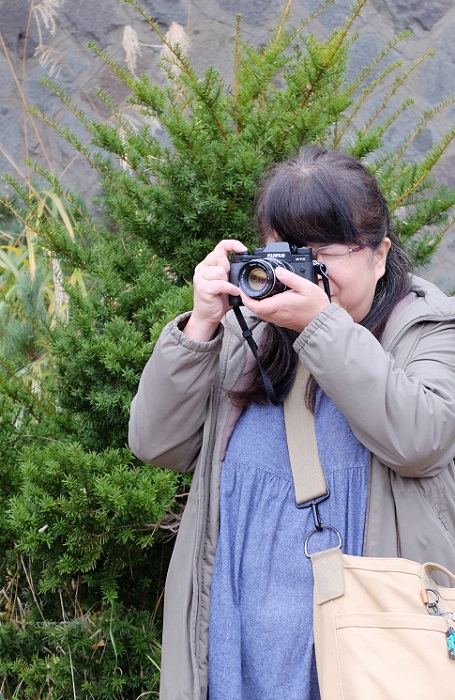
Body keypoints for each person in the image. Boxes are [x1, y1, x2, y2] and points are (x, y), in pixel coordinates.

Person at [128, 145, 455, 700]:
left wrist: (320, 325)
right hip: (234, 635)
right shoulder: (246, 337)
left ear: (380, 254)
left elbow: (419, 441)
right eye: (289, 251)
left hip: (367, 647)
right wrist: (202, 324)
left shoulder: (428, 331)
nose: (304, 272)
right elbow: (155, 442)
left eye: (323, 251)